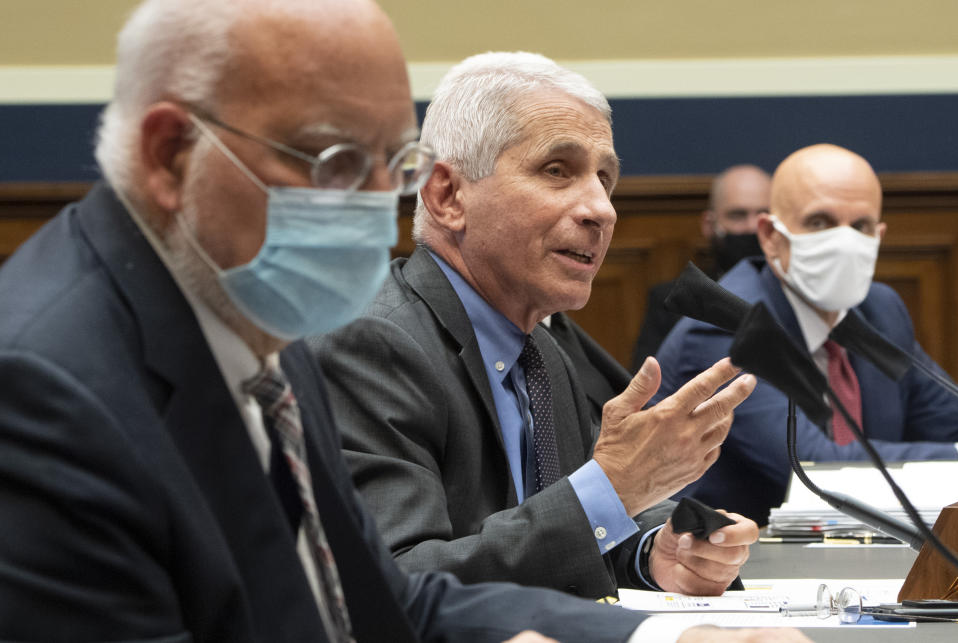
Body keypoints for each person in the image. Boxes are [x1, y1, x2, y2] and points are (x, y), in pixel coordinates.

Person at [0, 2, 799, 641]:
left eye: (394, 164)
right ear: (174, 156)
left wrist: (667, 637)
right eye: (338, 161)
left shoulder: (261, 322)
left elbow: (387, 606)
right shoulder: (42, 389)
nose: (382, 201)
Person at [312, 51, 759, 601]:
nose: (602, 209)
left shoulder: (540, 349)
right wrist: (614, 488)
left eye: (605, 177)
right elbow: (400, 584)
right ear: (448, 195)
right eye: (557, 171)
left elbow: (557, 530)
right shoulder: (373, 346)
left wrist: (655, 552)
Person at [653, 144, 958, 525]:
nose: (844, 242)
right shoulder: (728, 320)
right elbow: (812, 467)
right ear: (769, 235)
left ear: (878, 235)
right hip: (726, 563)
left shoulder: (880, 310)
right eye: (820, 222)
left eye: (861, 226)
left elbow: (947, 418)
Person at [632, 165, 771, 370]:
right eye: (737, 215)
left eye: (763, 215)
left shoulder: (806, 296)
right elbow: (644, 383)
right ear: (709, 224)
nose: (751, 227)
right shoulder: (672, 300)